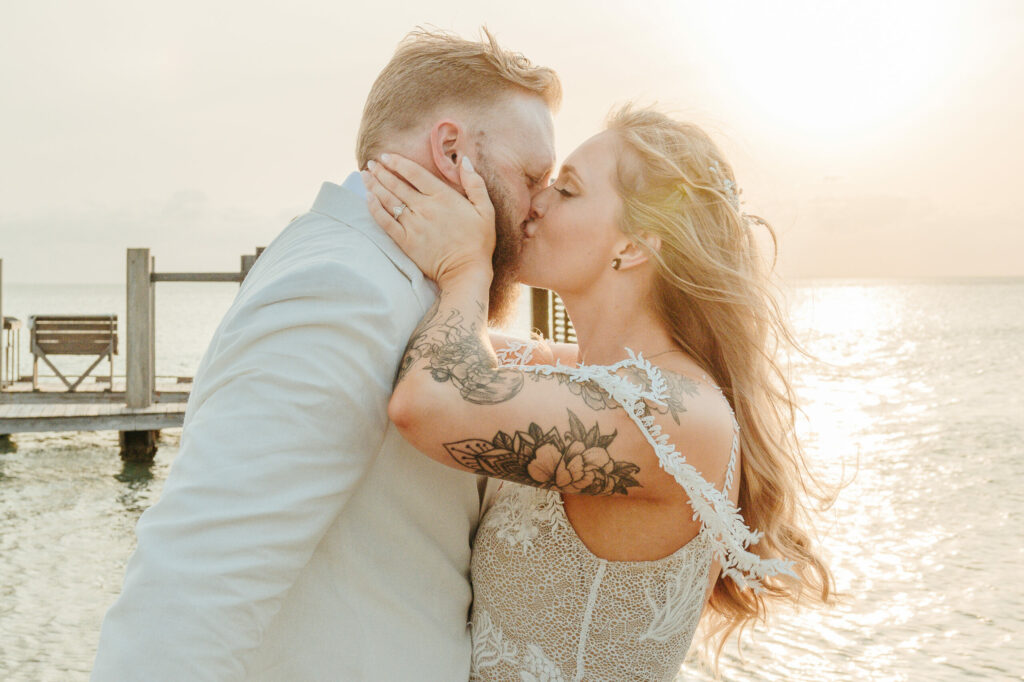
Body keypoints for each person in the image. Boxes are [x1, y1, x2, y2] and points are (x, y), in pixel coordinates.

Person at [91, 28, 560, 681]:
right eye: (533, 176)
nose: (544, 205)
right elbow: (190, 593)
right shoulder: (343, 288)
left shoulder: (402, 285)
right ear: (451, 150)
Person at [361, 104, 835, 680]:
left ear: (634, 246)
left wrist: (466, 266)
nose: (535, 201)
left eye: (567, 190)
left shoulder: (675, 417)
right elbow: (439, 349)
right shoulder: (588, 378)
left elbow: (425, 401)